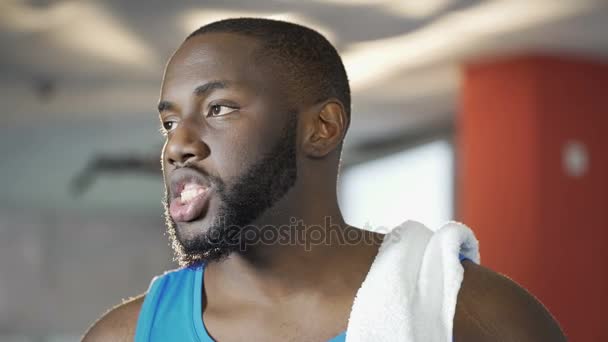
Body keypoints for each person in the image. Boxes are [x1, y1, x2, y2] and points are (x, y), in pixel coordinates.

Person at [83, 18, 565, 341]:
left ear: (322, 128)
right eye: (169, 123)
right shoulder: (123, 337)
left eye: (219, 108)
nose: (176, 145)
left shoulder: (478, 317)